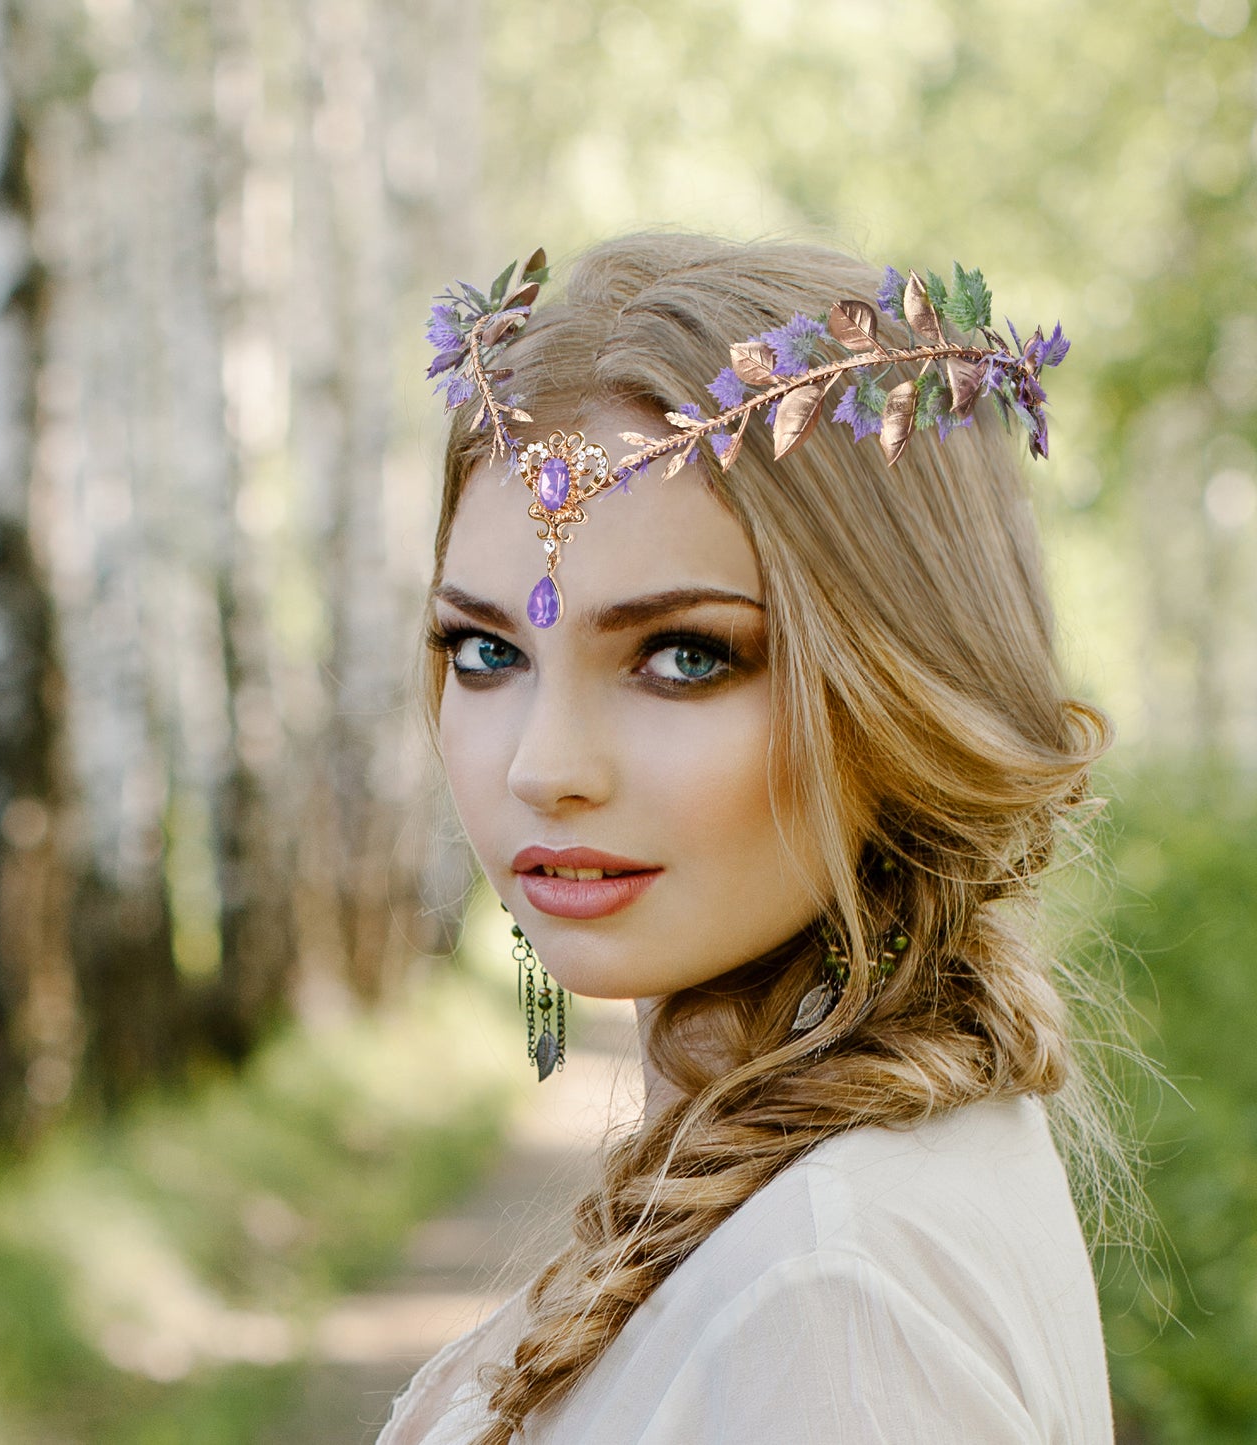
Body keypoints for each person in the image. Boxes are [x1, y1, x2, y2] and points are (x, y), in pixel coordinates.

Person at [378, 233, 1128, 1443]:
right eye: (487, 651)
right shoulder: (863, 1190)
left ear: (899, 684)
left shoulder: (833, 1292)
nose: (542, 766)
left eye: (684, 656)